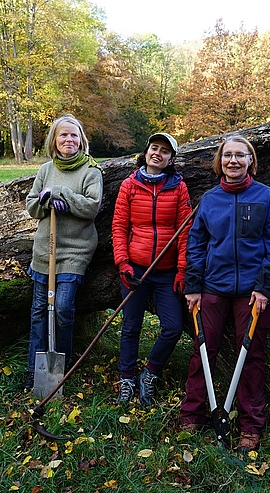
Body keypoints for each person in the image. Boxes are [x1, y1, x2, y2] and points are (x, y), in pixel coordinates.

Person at [180, 135, 270, 453]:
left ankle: (250, 426)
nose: (234, 161)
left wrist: (265, 287)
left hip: (253, 294)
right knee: (202, 352)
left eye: (241, 155)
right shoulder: (210, 200)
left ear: (251, 160)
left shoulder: (266, 197)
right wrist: (194, 287)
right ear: (220, 161)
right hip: (213, 288)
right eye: (228, 156)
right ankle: (191, 417)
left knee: (251, 357)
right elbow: (196, 244)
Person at [111, 132, 193, 406]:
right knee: (131, 326)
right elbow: (119, 226)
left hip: (166, 271)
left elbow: (185, 232)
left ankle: (150, 372)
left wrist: (182, 270)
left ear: (171, 159)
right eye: (154, 148)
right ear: (146, 152)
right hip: (134, 268)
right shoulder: (130, 185)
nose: (157, 153)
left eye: (164, 151)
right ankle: (126, 378)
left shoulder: (179, 188)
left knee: (173, 326)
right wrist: (123, 264)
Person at [24, 114, 103, 390]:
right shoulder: (46, 169)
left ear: (81, 140)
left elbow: (92, 207)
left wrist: (62, 196)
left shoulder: (91, 171)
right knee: (38, 311)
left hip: (74, 251)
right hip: (45, 250)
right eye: (63, 135)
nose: (69, 140)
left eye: (74, 135)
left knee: (63, 308)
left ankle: (62, 369)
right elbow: (32, 205)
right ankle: (35, 370)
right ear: (54, 141)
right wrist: (46, 201)